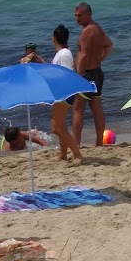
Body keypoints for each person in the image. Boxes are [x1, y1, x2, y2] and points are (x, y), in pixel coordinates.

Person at [71, 3, 111, 147]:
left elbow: (85, 55)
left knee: (77, 108)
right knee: (96, 107)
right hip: (97, 72)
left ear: (89, 14)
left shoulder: (87, 31)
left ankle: (76, 143)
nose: (77, 19)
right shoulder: (98, 29)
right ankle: (99, 141)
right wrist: (100, 59)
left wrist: (78, 75)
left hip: (87, 74)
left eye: (80, 16)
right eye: (75, 16)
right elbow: (109, 45)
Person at [49, 25, 83, 165]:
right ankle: (63, 154)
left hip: (63, 93)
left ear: (54, 39)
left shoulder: (63, 54)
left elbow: (63, 76)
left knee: (56, 127)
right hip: (62, 92)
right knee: (61, 125)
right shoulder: (63, 53)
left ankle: (77, 154)